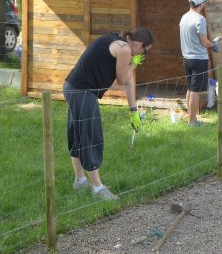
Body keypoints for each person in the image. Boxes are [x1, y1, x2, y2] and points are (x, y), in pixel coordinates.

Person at [63, 28, 154, 200]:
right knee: (90, 136)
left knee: (78, 135)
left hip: (73, 88)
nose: (144, 55)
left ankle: (80, 181)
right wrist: (134, 64)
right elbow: (121, 79)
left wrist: (133, 109)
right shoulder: (125, 49)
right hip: (82, 91)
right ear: (139, 44)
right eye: (145, 51)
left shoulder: (119, 41)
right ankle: (98, 188)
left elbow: (128, 81)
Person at [179, 0, 220, 127]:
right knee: (195, 91)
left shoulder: (184, 17)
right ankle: (192, 121)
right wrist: (213, 45)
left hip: (187, 58)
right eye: (204, 2)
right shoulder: (200, 19)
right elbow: (204, 42)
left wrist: (210, 43)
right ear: (201, 4)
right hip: (199, 59)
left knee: (190, 89)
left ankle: (189, 116)